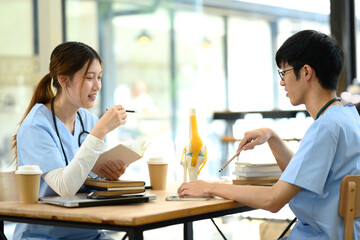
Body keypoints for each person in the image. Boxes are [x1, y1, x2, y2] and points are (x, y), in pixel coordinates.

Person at [178, 30, 360, 239]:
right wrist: (272, 137)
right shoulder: (348, 118)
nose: (282, 82)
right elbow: (304, 174)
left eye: (285, 72)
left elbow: (273, 200)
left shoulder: (325, 127)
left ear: (307, 72)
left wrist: (210, 187)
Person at [11, 41, 128, 239]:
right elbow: (64, 188)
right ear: (64, 80)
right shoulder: (36, 126)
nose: (97, 86)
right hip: (45, 234)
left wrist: (108, 175)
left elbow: (88, 180)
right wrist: (98, 132)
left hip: (88, 232)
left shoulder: (88, 120)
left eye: (99, 77)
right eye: (90, 78)